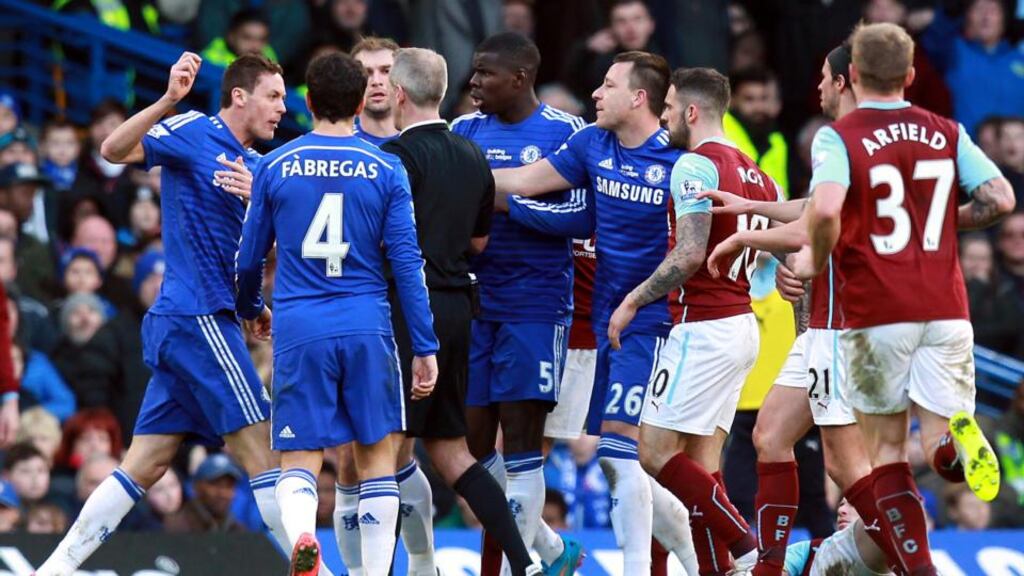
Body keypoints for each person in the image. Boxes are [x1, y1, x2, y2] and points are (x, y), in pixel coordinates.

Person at [32, 53, 295, 576]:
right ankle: (316, 571)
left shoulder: (265, 168)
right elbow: (112, 149)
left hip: (199, 321)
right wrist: (169, 99)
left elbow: (267, 252)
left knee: (145, 463)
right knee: (264, 449)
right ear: (239, 96)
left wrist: (256, 303)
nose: (283, 110)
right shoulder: (192, 129)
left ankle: (53, 571)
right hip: (196, 317)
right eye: (274, 96)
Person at [798, 22, 1015, 574]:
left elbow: (823, 210)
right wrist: (937, 223)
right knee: (940, 443)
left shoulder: (839, 136)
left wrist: (811, 258)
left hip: (877, 313)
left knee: (888, 456)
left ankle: (919, 570)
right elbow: (1000, 198)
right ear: (911, 75)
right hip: (947, 309)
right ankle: (950, 446)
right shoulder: (946, 130)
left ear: (852, 76)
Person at [700, 43, 906, 575]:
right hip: (822, 322)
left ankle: (915, 553)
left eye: (823, 77)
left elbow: (822, 226)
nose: (815, 87)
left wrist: (757, 235)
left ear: (845, 81)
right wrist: (756, 209)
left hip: (849, 323)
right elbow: (817, 214)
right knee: (771, 436)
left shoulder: (852, 140)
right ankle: (771, 567)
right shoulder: (849, 141)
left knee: (843, 462)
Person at [234, 51, 441, 576]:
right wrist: (424, 345)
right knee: (375, 457)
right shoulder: (386, 168)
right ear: (358, 102)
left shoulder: (277, 165)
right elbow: (407, 265)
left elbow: (248, 258)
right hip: (367, 324)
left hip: (301, 325)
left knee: (300, 455)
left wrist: (252, 308)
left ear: (306, 101)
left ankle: (305, 534)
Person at [492, 50, 695, 576]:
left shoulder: (681, 161)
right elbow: (520, 182)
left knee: (618, 453)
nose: (597, 95)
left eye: (608, 85)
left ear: (639, 97)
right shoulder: (591, 144)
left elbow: (712, 238)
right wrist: (445, 175)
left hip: (655, 323)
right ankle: (706, 559)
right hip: (606, 323)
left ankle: (644, 568)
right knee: (624, 459)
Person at [366, 46, 541, 576]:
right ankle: (525, 561)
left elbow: (379, 239)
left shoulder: (396, 156)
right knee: (451, 450)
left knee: (385, 450)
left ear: (398, 93)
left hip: (406, 308)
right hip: (460, 306)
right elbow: (480, 243)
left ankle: (380, 568)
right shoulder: (473, 157)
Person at [450, 32, 584, 575]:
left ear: (520, 78)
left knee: (523, 439)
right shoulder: (462, 131)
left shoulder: (565, 132)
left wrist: (506, 205)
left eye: (485, 73)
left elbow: (581, 216)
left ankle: (513, 569)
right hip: (473, 303)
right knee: (468, 446)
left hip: (535, 302)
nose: (474, 82)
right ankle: (549, 551)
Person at [165, 453, 247, 533]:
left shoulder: (238, 530)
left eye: (229, 486)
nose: (223, 493)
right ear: (196, 487)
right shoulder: (176, 526)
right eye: (215, 484)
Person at [352, 37, 400, 147]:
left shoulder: (423, 143)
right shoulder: (340, 146)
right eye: (366, 73)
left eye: (386, 71)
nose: (376, 81)